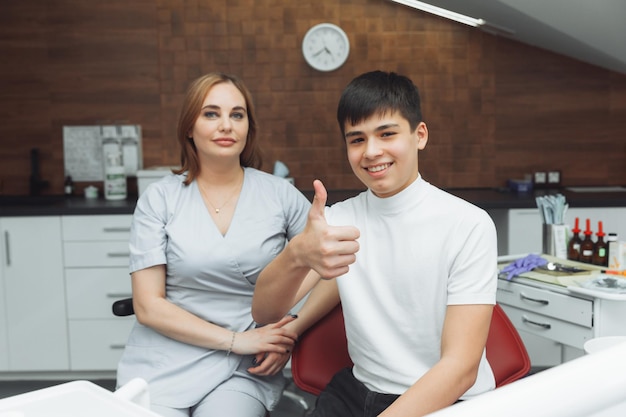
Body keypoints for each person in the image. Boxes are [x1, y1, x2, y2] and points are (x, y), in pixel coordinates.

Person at [252, 70, 498, 417]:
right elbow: (264, 311)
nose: (371, 152)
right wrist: (296, 254)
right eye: (356, 140)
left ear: (419, 135)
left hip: (445, 399)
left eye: (387, 134)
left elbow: (460, 368)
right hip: (359, 392)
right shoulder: (338, 221)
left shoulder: (468, 225)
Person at [116, 72, 311, 417]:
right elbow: (148, 306)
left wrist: (288, 331)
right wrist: (237, 341)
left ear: (249, 127)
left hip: (244, 368)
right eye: (211, 113)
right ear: (189, 127)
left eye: (237, 115)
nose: (226, 125)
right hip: (165, 356)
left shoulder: (280, 195)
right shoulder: (159, 199)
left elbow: (330, 269)